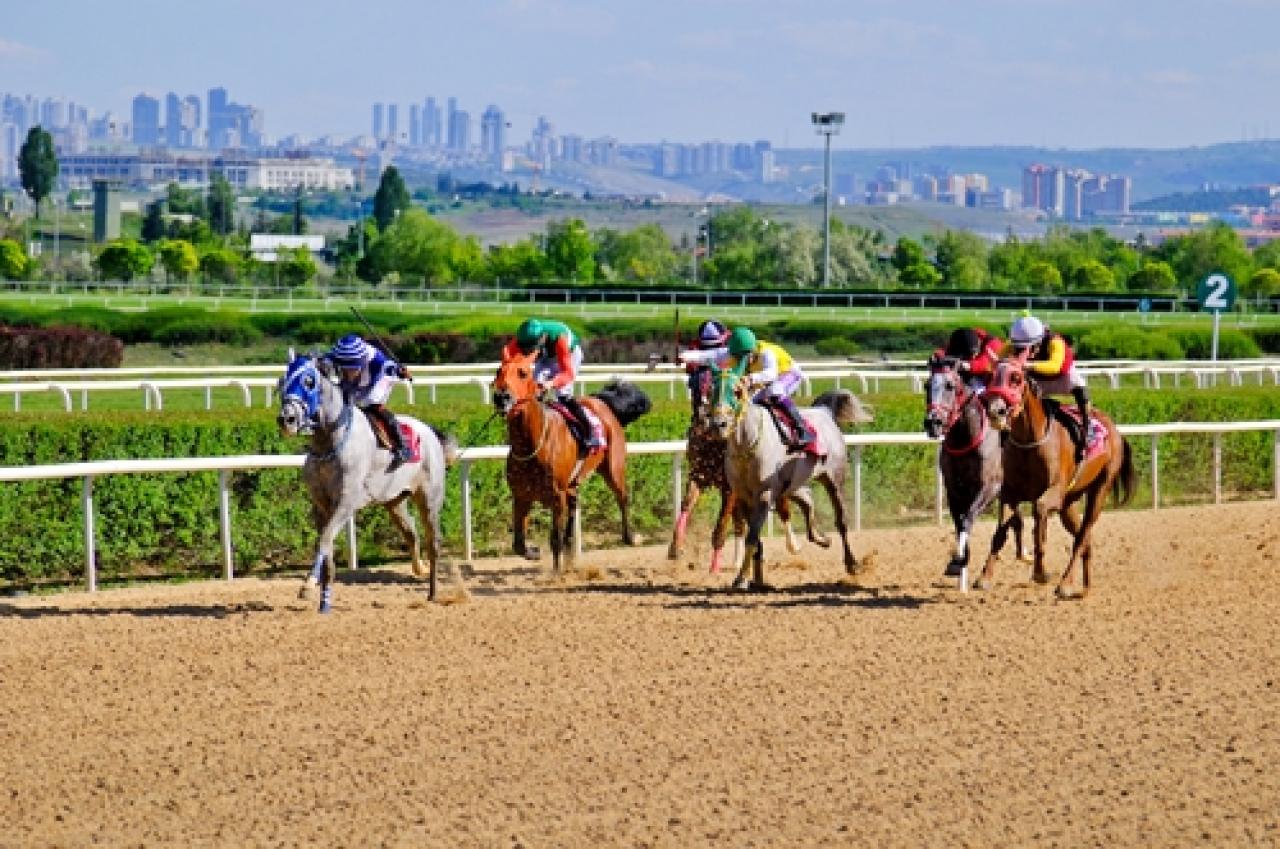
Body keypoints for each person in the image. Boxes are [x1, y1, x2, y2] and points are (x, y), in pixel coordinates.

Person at [680, 326, 814, 450]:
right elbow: (706, 356)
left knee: (774, 391)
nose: (741, 360)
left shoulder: (766, 353)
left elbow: (771, 374)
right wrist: (684, 357)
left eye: (745, 356)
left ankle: (802, 428)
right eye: (738, 357)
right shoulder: (732, 352)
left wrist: (751, 378)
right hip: (762, 380)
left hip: (788, 373)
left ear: (752, 350)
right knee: (748, 403)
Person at [503, 317, 601, 451]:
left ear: (542, 337)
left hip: (569, 354)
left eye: (531, 348)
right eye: (526, 348)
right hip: (546, 355)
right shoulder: (520, 341)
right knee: (534, 389)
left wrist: (551, 383)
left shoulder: (560, 339)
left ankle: (589, 432)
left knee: (563, 393)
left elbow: (567, 374)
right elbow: (507, 362)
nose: (528, 351)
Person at [1007, 315, 1091, 464]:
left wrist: (1027, 365)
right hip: (1037, 379)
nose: (1024, 351)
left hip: (1062, 377)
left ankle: (1086, 430)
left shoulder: (1055, 342)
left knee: (1081, 388)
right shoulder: (1015, 342)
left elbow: (1055, 366)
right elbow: (998, 362)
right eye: (1020, 347)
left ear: (1039, 341)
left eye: (1028, 346)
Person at [327, 333, 414, 470]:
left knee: (372, 405)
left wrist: (400, 372)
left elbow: (390, 366)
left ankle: (403, 447)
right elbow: (322, 360)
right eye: (346, 368)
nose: (349, 372)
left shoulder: (376, 360)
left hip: (378, 380)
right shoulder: (338, 354)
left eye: (353, 368)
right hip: (357, 382)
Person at [684, 319, 730, 420]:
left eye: (715, 345)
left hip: (724, 378)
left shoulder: (731, 343)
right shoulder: (694, 345)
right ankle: (698, 417)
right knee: (696, 380)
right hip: (702, 381)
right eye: (708, 345)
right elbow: (689, 368)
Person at [943, 326, 1003, 393]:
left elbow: (984, 363)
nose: (972, 358)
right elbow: (945, 355)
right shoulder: (959, 338)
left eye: (972, 354)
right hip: (969, 379)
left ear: (978, 343)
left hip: (992, 382)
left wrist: (969, 365)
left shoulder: (994, 344)